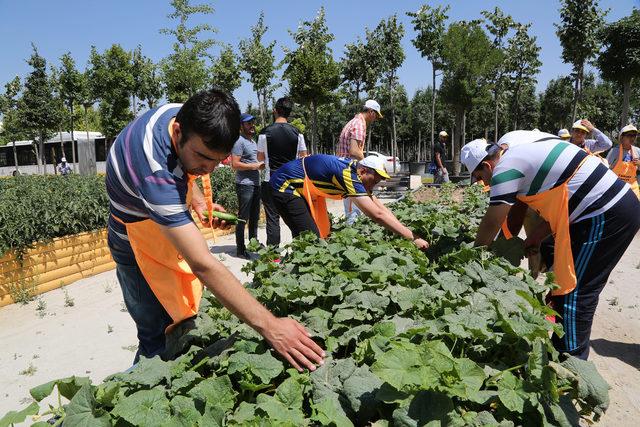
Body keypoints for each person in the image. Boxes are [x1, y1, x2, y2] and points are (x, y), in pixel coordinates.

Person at [105, 89, 324, 371]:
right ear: (180, 132)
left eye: (215, 161)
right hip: (135, 249)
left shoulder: (179, 114)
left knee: (180, 323)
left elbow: (180, 165)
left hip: (160, 234)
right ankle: (123, 403)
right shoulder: (155, 174)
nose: (206, 169)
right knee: (158, 339)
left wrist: (197, 202)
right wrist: (271, 326)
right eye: (202, 157)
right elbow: (203, 264)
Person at [462, 131, 640, 360]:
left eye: (478, 177)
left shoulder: (505, 170)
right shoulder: (519, 150)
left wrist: (474, 259)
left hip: (605, 214)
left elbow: (493, 221)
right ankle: (560, 356)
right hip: (599, 211)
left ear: (487, 165)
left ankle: (571, 366)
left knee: (575, 293)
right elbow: (565, 193)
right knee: (562, 286)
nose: (481, 183)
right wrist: (536, 236)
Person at [269, 153, 429, 249]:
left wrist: (407, 231)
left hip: (301, 190)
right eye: (376, 178)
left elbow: (381, 207)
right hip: (285, 186)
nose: (377, 183)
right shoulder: (349, 176)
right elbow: (377, 215)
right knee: (310, 240)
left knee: (316, 237)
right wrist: (412, 238)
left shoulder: (357, 173)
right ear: (364, 171)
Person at [257, 97, 307, 248]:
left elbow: (260, 158)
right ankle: (300, 252)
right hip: (292, 182)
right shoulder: (297, 133)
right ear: (289, 113)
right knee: (295, 217)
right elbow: (303, 156)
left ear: (275, 111)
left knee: (272, 218)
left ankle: (273, 256)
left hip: (270, 180)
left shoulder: (265, 133)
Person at [336, 100, 383, 223]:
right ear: (371, 112)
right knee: (354, 209)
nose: (376, 119)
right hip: (350, 170)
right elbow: (354, 151)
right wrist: (368, 166)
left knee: (353, 208)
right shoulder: (359, 124)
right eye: (376, 115)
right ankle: (352, 237)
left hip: (345, 167)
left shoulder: (354, 122)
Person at [231, 113, 264, 258]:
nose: (252, 125)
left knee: (255, 216)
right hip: (245, 185)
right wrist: (255, 166)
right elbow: (235, 164)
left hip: (255, 184)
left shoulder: (252, 141)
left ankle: (253, 243)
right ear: (241, 126)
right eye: (248, 123)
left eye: (252, 122)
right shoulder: (239, 141)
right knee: (243, 217)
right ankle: (240, 249)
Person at [606, 124, 640, 199]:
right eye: (629, 135)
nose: (632, 138)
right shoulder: (614, 151)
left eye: (634, 135)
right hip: (616, 188)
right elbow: (606, 168)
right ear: (621, 137)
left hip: (632, 189)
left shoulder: (637, 151)